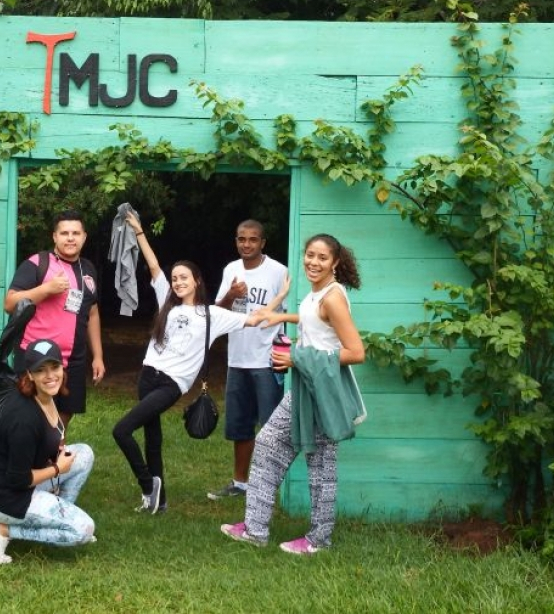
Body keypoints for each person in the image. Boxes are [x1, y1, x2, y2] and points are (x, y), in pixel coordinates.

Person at [112, 213, 284, 514]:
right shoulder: (167, 300)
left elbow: (255, 319)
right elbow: (153, 265)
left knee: (121, 430)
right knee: (153, 438)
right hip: (147, 376)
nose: (178, 282)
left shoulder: (212, 315)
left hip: (170, 384)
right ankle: (159, 502)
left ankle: (148, 485)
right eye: (175, 278)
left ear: (197, 281)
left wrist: (282, 295)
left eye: (184, 278)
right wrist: (139, 232)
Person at [220, 233, 365, 555]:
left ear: (335, 262)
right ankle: (255, 528)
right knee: (268, 443)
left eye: (322, 258)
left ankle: (318, 540)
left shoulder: (333, 297)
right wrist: (282, 317)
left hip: (324, 393)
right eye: (310, 255)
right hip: (305, 386)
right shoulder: (318, 292)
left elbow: (356, 352)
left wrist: (296, 357)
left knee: (321, 466)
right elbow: (317, 321)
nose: (313, 262)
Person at [0, 338, 96, 565]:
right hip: (4, 497)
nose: (50, 375)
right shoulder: (23, 419)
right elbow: (18, 479)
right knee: (84, 529)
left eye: (54, 367)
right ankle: (3, 530)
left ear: (62, 367)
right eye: (41, 370)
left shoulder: (44, 395)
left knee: (84, 454)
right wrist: (57, 469)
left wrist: (56, 455)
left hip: (23, 482)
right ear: (30, 375)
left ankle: (60, 518)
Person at [208, 219, 288, 500]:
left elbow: (288, 314)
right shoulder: (231, 269)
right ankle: (240, 483)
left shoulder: (279, 271)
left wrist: (284, 354)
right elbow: (218, 312)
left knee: (271, 428)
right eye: (242, 239)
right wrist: (231, 294)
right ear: (236, 241)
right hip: (238, 360)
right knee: (240, 426)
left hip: (267, 360)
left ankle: (269, 486)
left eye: (253, 239)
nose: (247, 244)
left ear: (263, 242)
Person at [5, 210, 105, 434]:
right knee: (31, 414)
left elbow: (93, 313)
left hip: (74, 359)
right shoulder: (37, 263)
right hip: (37, 357)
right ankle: (33, 452)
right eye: (64, 233)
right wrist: (46, 289)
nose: (70, 238)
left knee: (66, 412)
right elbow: (10, 303)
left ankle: (54, 450)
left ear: (84, 237)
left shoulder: (88, 269)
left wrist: (98, 356)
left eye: (75, 233)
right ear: (54, 236)